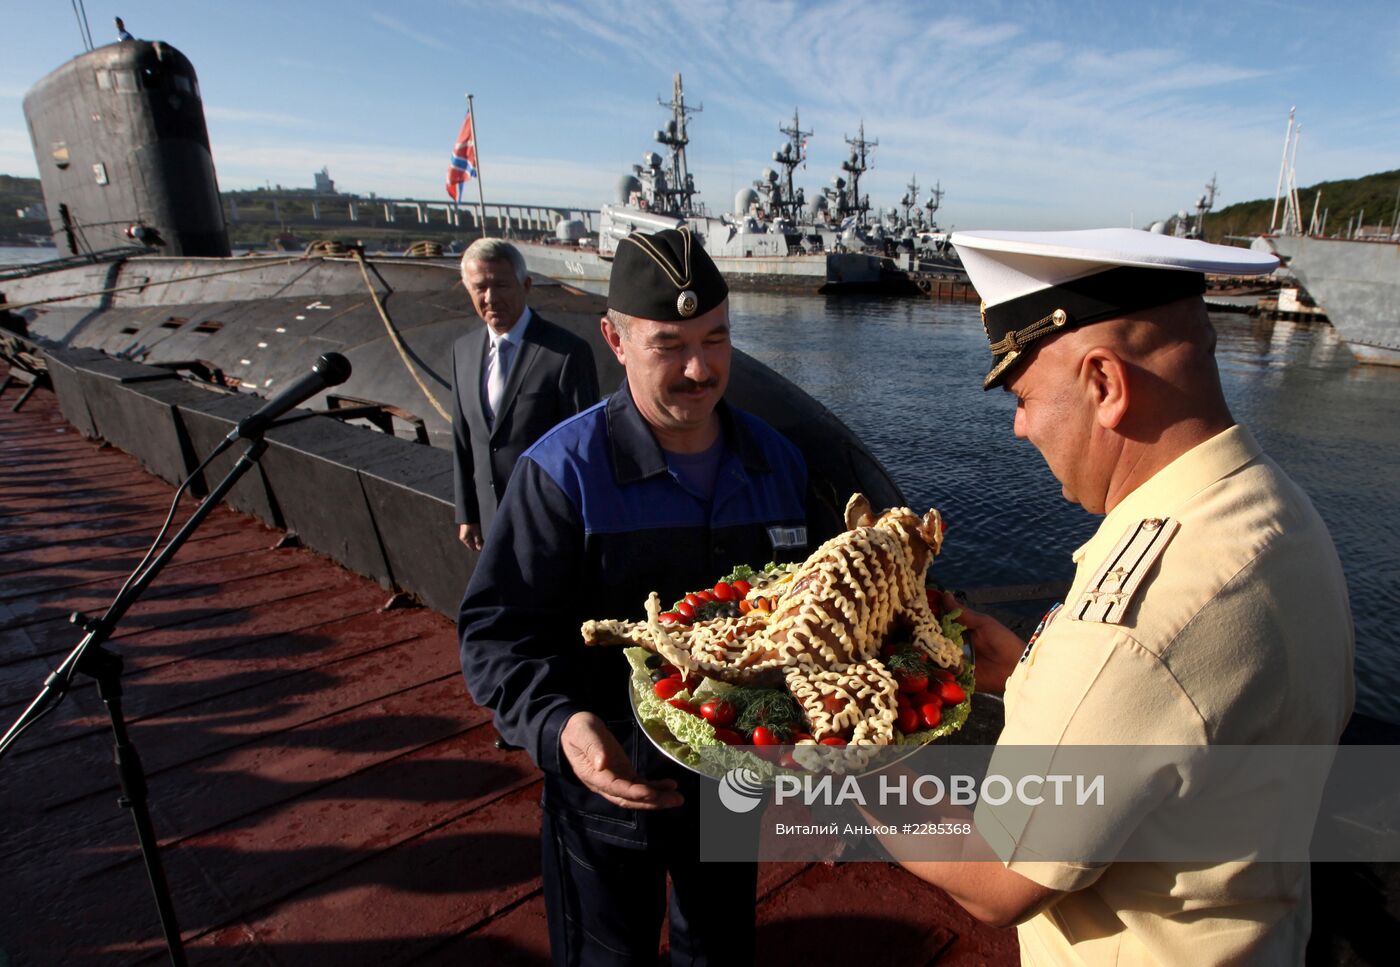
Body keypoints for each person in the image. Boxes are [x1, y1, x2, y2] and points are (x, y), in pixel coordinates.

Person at [886, 229, 1355, 964]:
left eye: (1024, 395)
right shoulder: (1277, 510)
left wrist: (846, 758)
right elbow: (1191, 718)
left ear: (1104, 383)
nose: (1019, 425)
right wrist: (1029, 671)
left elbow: (995, 875)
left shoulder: (1132, 621)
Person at [458, 226, 810, 965]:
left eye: (715, 339)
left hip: (735, 786)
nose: (699, 367)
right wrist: (559, 726)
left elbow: (805, 617)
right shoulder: (562, 474)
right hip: (608, 788)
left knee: (719, 952)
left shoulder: (778, 463)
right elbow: (496, 635)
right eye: (668, 345)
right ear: (614, 341)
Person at [450, 238, 598, 551]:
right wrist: (468, 514)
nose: (490, 298)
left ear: (526, 285)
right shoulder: (461, 353)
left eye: (501, 285)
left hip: (549, 522)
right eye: (480, 287)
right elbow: (463, 440)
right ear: (467, 289)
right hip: (491, 525)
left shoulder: (566, 353)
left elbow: (583, 449)